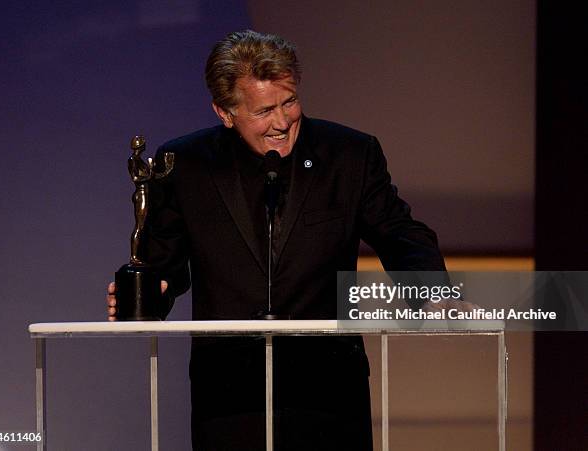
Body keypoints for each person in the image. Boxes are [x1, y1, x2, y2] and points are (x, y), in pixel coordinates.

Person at [107, 30, 448, 451]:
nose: (282, 122)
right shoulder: (186, 164)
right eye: (264, 110)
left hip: (328, 388)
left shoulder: (348, 154)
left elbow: (399, 232)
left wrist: (433, 290)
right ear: (225, 112)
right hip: (230, 391)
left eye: (289, 102)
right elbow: (165, 264)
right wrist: (149, 293)